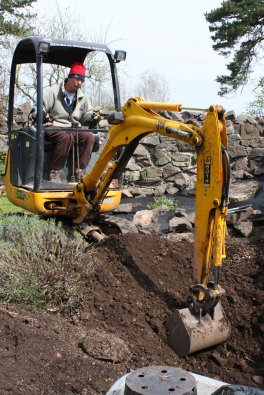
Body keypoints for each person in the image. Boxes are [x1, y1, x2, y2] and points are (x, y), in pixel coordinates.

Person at [43, 62, 99, 182]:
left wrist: (92, 117)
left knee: (89, 136)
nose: (79, 83)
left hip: (73, 129)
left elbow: (86, 116)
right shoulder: (52, 92)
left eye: (81, 81)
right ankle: (55, 172)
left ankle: (80, 171)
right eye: (76, 79)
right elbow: (40, 109)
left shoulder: (82, 97)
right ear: (69, 77)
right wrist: (42, 115)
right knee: (66, 137)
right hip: (53, 127)